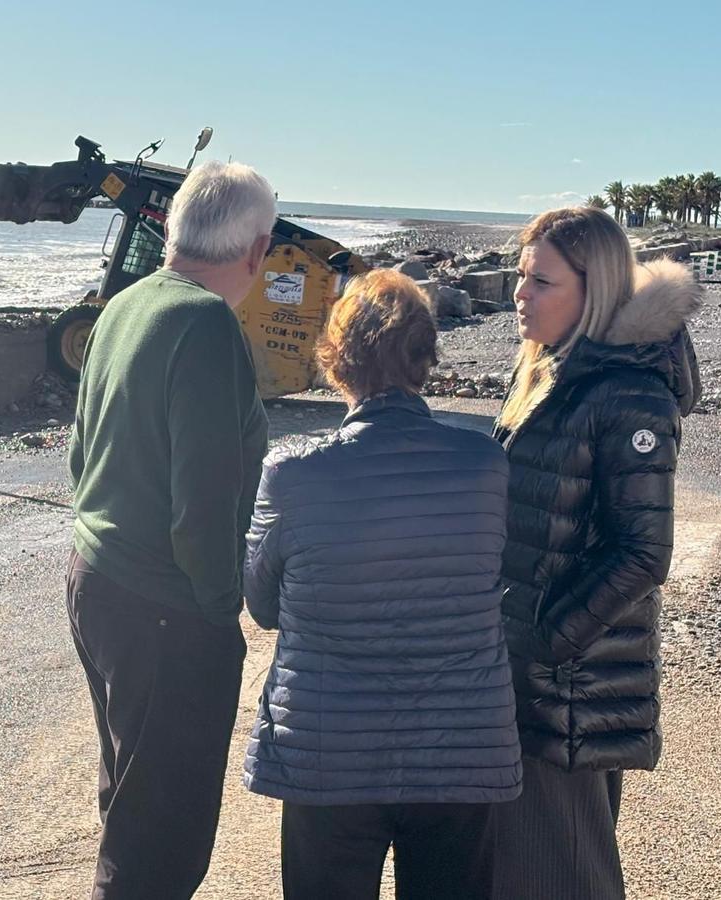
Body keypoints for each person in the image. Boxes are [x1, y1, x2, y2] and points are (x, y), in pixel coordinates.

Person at [242, 268, 522, 900]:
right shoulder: (486, 465)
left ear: (336, 359)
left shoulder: (291, 475)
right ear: (424, 357)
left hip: (327, 753)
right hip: (461, 749)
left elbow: (262, 605)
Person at [66, 160, 274, 900]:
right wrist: (219, 611)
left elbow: (80, 453)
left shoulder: (124, 306)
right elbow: (204, 501)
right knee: (160, 843)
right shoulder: (205, 323)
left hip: (96, 581)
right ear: (257, 249)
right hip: (166, 608)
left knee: (131, 807)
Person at [490, 207, 702, 899]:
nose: (520, 294)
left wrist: (546, 641)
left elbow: (643, 553)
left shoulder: (627, 394)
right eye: (521, 276)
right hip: (534, 678)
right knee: (525, 871)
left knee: (566, 875)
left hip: (569, 687)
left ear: (595, 290)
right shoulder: (550, 373)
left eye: (541, 281)